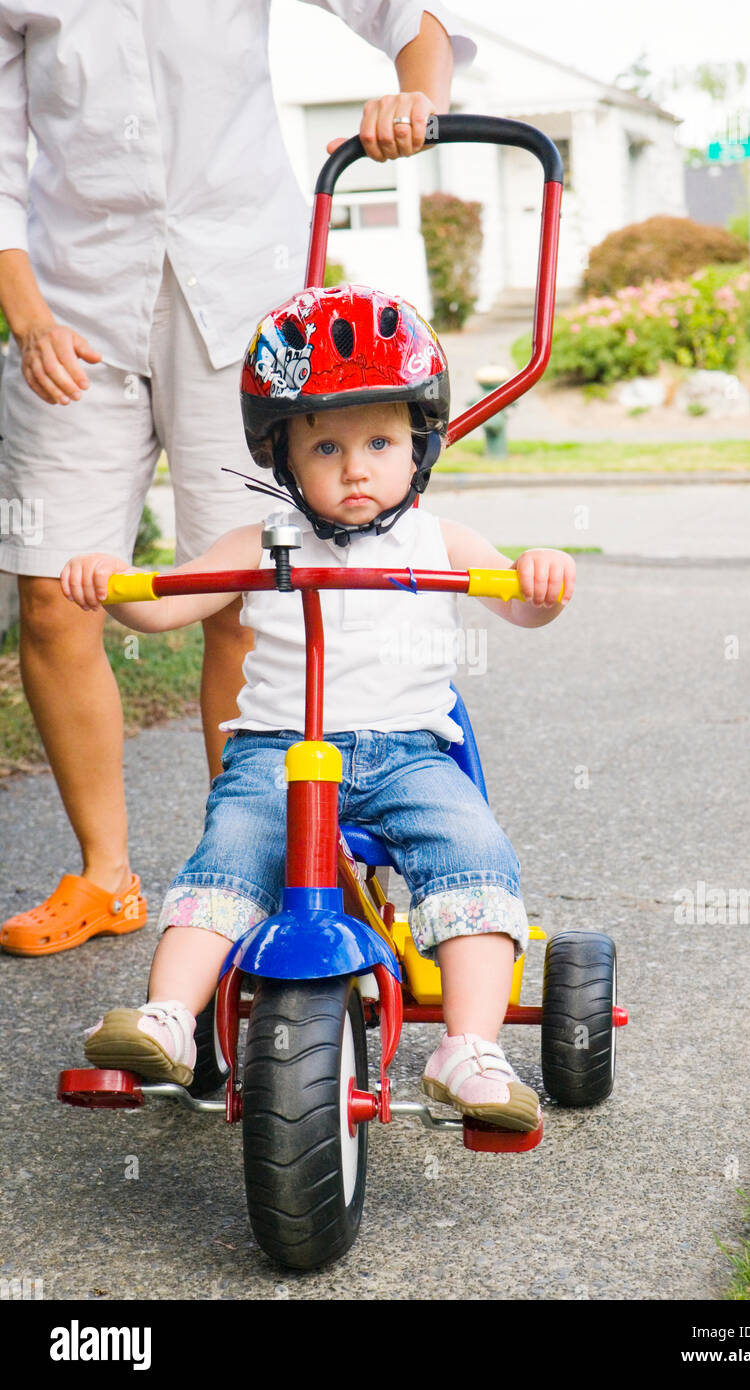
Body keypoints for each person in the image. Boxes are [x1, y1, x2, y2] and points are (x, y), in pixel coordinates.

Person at [0, 0, 475, 955]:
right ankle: (107, 874)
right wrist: (28, 315)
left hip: (244, 302)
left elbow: (409, 12)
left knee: (245, 592)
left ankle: (253, 870)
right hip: (70, 299)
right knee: (53, 593)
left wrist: (416, 97)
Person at [62, 284, 576, 1132]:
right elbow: (163, 605)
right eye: (326, 446)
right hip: (278, 753)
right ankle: (170, 1019)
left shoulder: (438, 539)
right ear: (283, 458)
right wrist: (107, 583)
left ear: (420, 443)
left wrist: (542, 577)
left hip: (408, 755)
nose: (355, 467)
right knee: (230, 854)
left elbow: (521, 602)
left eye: (379, 440)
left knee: (472, 848)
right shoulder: (261, 543)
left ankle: (470, 1048)